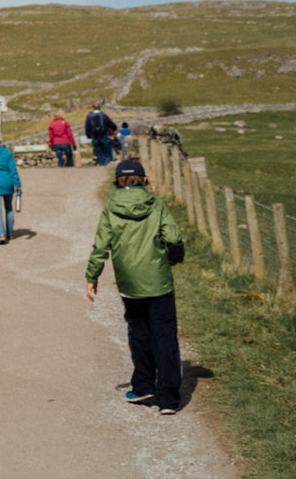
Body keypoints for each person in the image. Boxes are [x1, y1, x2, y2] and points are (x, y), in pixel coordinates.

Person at [86, 157, 186, 414]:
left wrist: (92, 277)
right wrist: (174, 258)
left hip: (129, 282)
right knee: (164, 336)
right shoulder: (156, 204)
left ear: (118, 181)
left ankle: (143, 387)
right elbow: (173, 237)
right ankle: (168, 400)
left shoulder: (111, 206)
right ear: (143, 179)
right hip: (158, 280)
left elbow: (100, 245)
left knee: (139, 333)